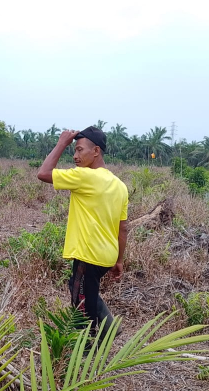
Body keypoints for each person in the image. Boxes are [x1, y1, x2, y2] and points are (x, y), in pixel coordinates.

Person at [37, 126, 129, 336]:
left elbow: (43, 173)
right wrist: (119, 260)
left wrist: (62, 143)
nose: (76, 156)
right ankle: (111, 328)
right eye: (74, 151)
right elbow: (122, 228)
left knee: (82, 311)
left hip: (88, 256)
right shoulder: (119, 185)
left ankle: (86, 351)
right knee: (85, 290)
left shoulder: (85, 176)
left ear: (96, 151)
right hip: (106, 256)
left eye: (79, 150)